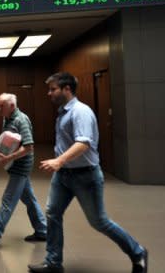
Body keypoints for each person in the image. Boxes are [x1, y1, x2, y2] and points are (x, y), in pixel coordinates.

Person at [28, 72, 148, 273]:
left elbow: (83, 143)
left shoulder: (80, 112)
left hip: (85, 176)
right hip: (64, 176)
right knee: (53, 213)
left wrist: (59, 160)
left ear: (67, 89)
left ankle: (137, 252)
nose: (49, 93)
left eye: (53, 89)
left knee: (99, 222)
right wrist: (61, 164)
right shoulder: (63, 112)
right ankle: (53, 262)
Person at [0, 93, 47, 249]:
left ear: (11, 105)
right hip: (15, 164)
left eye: (0, 106)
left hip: (21, 166)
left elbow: (29, 147)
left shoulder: (20, 120)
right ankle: (43, 230)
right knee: (29, 199)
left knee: (8, 200)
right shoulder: (7, 118)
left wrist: (9, 157)